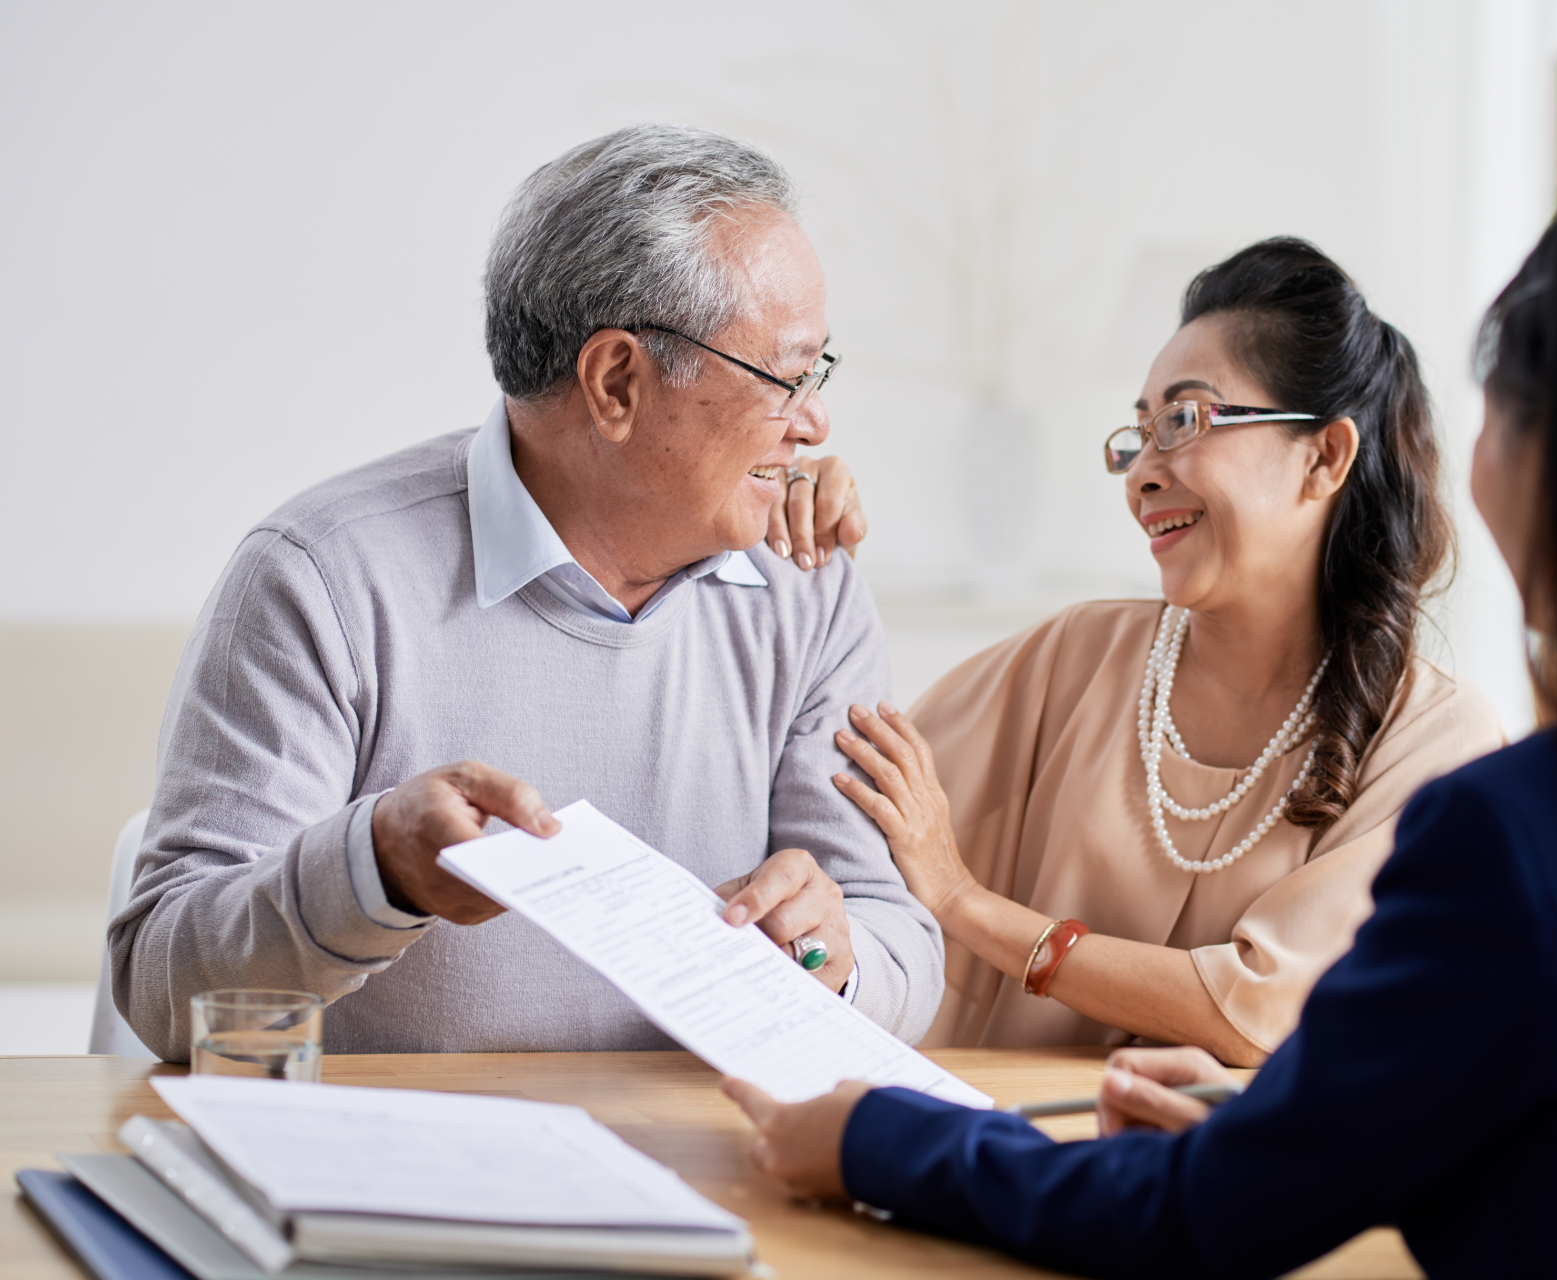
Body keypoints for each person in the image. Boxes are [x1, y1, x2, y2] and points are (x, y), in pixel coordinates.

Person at [725, 171, 1557, 1279]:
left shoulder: (1514, 838)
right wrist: (1287, 1110)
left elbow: (1206, 1213)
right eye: (1141, 430)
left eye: (1496, 409)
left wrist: (879, 1139)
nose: (1147, 469)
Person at [111, 124, 943, 1060]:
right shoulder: (324, 576)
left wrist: (832, 960)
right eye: (786, 376)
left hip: (715, 1174)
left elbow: (900, 944)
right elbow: (160, 990)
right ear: (617, 381)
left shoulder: (808, 588)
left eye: (818, 373)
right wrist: (374, 869)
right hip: (403, 1179)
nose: (816, 421)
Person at [830, 239, 1504, 1064]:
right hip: (987, 1154)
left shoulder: (1437, 739)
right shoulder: (1074, 657)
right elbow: (838, 799)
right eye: (1140, 433)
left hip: (1221, 1190)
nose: (1142, 473)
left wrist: (968, 905)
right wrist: (800, 555)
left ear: (1325, 456)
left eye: (1184, 421)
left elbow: (1265, 1011)